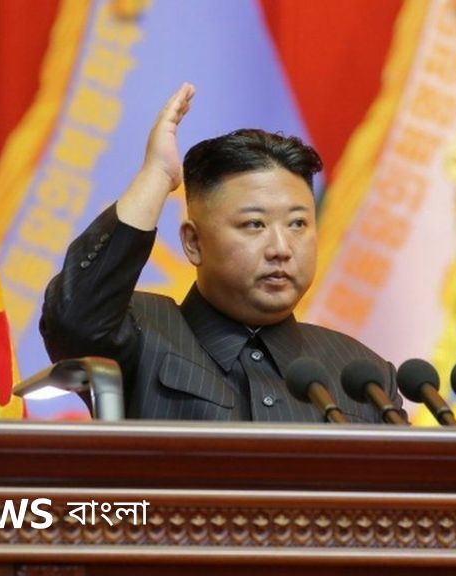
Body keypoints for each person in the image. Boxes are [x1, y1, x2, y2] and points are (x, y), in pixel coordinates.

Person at [40, 83, 403, 422]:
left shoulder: (361, 375)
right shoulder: (140, 330)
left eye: (297, 224)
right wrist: (157, 177)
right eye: (255, 224)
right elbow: (74, 318)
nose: (281, 249)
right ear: (193, 243)